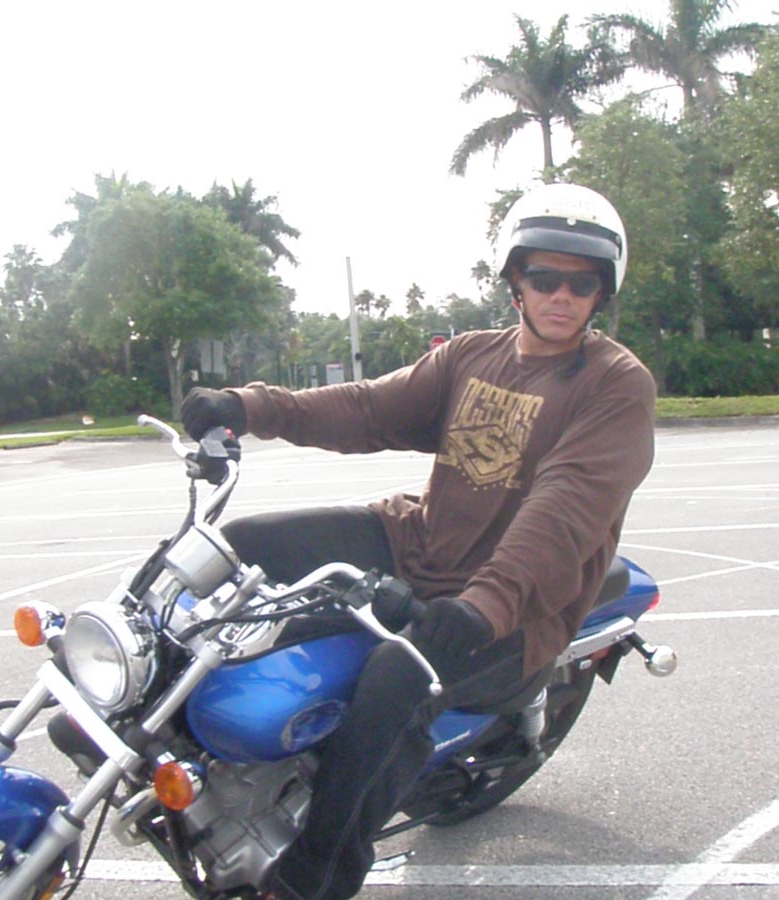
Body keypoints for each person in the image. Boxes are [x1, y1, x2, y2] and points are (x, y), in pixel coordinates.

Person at [179, 182, 657, 900]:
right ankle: (150, 715)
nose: (561, 295)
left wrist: (481, 608)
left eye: (581, 282)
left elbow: (563, 511)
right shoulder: (471, 355)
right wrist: (249, 407)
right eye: (544, 277)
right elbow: (368, 408)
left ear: (602, 291)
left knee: (396, 675)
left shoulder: (615, 385)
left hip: (514, 613)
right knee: (242, 544)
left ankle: (314, 876)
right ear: (515, 280)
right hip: (417, 542)